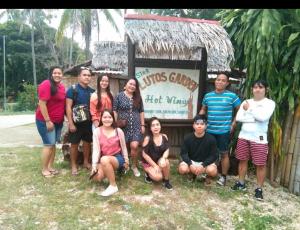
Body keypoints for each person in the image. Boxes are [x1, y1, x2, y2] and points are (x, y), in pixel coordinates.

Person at [231, 80, 275, 201]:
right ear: (252, 89)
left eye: (260, 87)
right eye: (255, 87)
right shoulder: (247, 101)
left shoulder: (269, 103)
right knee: (242, 160)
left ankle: (259, 189)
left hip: (259, 138)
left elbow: (263, 117)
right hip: (244, 136)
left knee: (260, 164)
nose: (257, 89)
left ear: (266, 89)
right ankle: (241, 183)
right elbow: (239, 118)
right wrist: (253, 117)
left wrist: (249, 110)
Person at [199, 72, 241, 186]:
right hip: (209, 130)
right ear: (215, 81)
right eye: (218, 79)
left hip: (223, 131)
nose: (220, 82)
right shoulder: (208, 96)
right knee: (208, 152)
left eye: (223, 80)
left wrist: (234, 123)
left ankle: (223, 177)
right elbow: (203, 109)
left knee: (224, 154)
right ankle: (206, 173)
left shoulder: (232, 96)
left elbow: (240, 110)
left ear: (227, 83)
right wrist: (199, 119)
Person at [90, 109, 129, 196]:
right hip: (104, 159)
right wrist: (94, 165)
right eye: (105, 117)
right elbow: (96, 150)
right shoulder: (97, 131)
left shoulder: (118, 131)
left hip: (117, 158)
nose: (107, 119)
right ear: (101, 118)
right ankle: (109, 172)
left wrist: (126, 161)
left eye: (109, 117)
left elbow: (124, 147)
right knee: (97, 178)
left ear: (113, 119)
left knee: (104, 159)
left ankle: (113, 186)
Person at [36, 66, 66, 178]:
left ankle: (50, 166)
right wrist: (47, 121)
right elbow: (42, 103)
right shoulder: (46, 84)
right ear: (51, 74)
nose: (57, 75)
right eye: (55, 73)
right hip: (46, 121)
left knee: (53, 144)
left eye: (59, 73)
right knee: (48, 144)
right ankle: (44, 169)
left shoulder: (61, 87)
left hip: (58, 121)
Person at [113, 78, 145, 177]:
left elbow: (141, 111)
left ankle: (134, 166)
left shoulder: (138, 97)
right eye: (130, 84)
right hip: (123, 126)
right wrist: (114, 124)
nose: (132, 86)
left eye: (134, 85)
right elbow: (114, 110)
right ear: (125, 85)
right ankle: (124, 165)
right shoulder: (119, 96)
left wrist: (143, 125)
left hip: (136, 125)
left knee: (134, 146)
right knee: (124, 147)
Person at [66, 67, 95, 175]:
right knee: (74, 144)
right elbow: (68, 107)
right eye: (84, 75)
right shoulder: (72, 90)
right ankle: (73, 165)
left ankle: (86, 162)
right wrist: (71, 123)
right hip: (76, 124)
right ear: (79, 77)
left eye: (88, 75)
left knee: (87, 143)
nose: (87, 77)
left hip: (88, 123)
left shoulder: (92, 92)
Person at [178, 114, 218, 184]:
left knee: (212, 171)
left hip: (205, 163)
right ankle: (191, 173)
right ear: (193, 125)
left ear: (205, 126)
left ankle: (205, 175)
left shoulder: (211, 139)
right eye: (197, 124)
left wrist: (203, 165)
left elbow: (214, 155)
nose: (199, 126)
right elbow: (183, 153)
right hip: (192, 162)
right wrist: (190, 164)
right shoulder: (187, 138)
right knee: (182, 169)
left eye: (202, 124)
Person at [141, 117, 173, 190]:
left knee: (166, 162)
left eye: (157, 124)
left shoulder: (164, 136)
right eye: (153, 125)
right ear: (150, 128)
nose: (156, 127)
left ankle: (166, 181)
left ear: (160, 126)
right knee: (158, 177)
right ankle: (148, 174)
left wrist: (163, 158)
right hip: (149, 163)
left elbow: (167, 149)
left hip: (159, 160)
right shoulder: (147, 138)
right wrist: (155, 166)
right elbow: (144, 155)